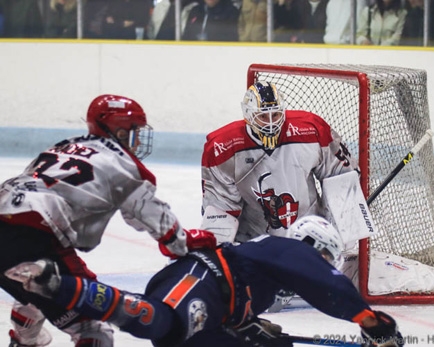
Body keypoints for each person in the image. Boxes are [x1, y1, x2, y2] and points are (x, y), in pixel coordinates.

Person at [5, 216, 405, 347]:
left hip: (215, 301)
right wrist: (368, 320)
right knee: (164, 322)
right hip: (202, 278)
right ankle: (58, 284)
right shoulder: (291, 250)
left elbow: (239, 310)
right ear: (312, 245)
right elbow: (323, 282)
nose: (324, 265)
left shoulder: (272, 273)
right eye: (324, 257)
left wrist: (249, 331)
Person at [0, 94, 189, 346]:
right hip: (33, 236)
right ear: (120, 131)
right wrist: (184, 245)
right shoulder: (123, 164)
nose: (139, 139)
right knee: (92, 324)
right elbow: (157, 223)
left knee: (40, 284)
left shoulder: (63, 145)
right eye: (135, 131)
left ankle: (24, 340)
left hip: (10, 222)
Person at [199, 81, 358, 245]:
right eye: (262, 116)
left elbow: (342, 179)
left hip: (310, 236)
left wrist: (341, 238)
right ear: (248, 115)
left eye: (275, 114)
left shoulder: (311, 130)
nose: (270, 123)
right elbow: (221, 210)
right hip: (254, 242)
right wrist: (220, 253)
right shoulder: (222, 149)